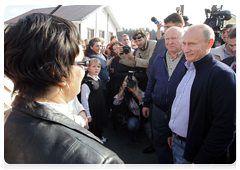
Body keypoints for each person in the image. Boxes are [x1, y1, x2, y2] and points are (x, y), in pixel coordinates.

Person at [4, 13, 125, 169]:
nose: (85, 69)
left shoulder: (6, 118)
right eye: (84, 63)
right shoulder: (100, 161)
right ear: (61, 75)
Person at [168, 24, 238, 169]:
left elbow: (224, 127)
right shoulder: (189, 67)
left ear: (210, 43)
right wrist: (173, 133)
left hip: (196, 154)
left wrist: (200, 163)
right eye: (184, 43)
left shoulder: (223, 75)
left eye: (192, 44)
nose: (186, 49)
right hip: (178, 144)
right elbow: (181, 105)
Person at [142, 27, 186, 168]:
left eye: (174, 38)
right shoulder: (159, 59)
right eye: (167, 39)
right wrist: (146, 103)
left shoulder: (189, 60)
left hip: (180, 113)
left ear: (183, 40)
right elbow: (151, 83)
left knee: (179, 144)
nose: (170, 42)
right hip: (159, 110)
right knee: (160, 141)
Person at [212, 26, 238, 169]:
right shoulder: (227, 64)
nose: (234, 49)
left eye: (238, 45)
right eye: (231, 45)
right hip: (222, 122)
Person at [113, 75, 152, 145]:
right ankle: (133, 133)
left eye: (132, 83)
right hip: (134, 117)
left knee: (151, 138)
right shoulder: (125, 94)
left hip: (144, 117)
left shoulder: (140, 92)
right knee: (131, 125)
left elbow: (144, 102)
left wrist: (134, 91)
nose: (130, 85)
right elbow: (115, 102)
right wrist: (122, 89)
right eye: (128, 83)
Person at [81, 58, 109, 142]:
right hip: (93, 108)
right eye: (94, 66)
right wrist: (88, 114)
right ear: (88, 68)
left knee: (99, 124)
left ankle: (100, 137)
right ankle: (94, 140)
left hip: (100, 106)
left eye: (98, 66)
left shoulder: (99, 79)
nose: (97, 69)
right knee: (94, 125)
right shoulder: (87, 83)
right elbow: (84, 100)